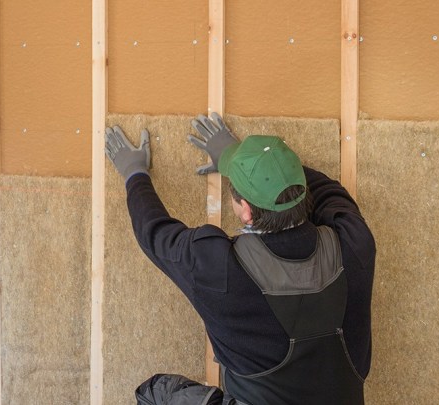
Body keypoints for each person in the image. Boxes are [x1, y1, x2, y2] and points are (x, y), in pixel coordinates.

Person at [104, 113, 376, 405]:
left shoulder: (220, 271)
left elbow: (155, 233)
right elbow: (328, 190)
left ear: (245, 211)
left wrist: (134, 173)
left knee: (155, 392)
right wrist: (242, 161)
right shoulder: (354, 244)